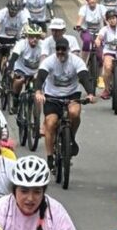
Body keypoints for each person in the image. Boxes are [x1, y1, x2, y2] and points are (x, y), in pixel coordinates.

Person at [34, 35, 95, 169]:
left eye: (63, 49)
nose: (61, 52)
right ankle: (50, 156)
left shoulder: (76, 61)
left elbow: (84, 78)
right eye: (58, 49)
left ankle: (70, 138)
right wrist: (38, 92)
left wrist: (90, 93)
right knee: (50, 123)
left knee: (74, 113)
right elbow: (40, 77)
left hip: (71, 95)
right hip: (52, 96)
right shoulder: (49, 61)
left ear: (68, 50)